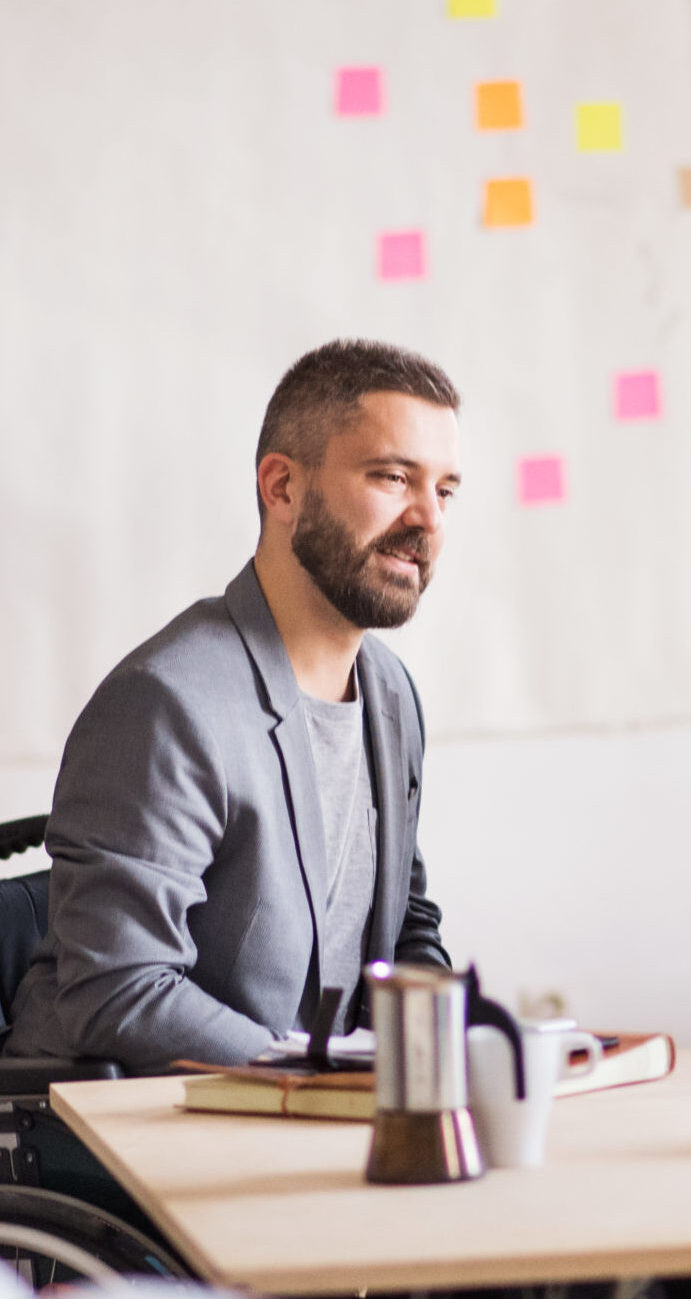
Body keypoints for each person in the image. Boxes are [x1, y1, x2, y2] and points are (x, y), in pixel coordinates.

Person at [5, 338, 461, 1074]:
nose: (427, 518)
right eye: (392, 476)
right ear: (281, 488)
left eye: (444, 490)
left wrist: (446, 1051)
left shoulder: (391, 695)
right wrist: (322, 1079)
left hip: (303, 1120)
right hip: (124, 1137)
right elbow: (118, 989)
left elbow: (403, 922)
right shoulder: (167, 703)